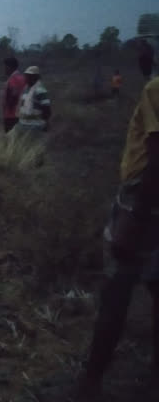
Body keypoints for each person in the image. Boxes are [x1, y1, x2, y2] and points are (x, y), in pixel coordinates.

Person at [77, 39, 159, 400]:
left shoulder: (156, 89)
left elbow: (156, 156)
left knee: (116, 290)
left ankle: (91, 379)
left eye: (147, 48)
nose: (142, 54)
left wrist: (137, 217)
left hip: (144, 202)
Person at [16, 66, 51, 132]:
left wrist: (45, 124)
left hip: (35, 127)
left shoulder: (40, 90)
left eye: (29, 76)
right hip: (23, 125)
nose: (26, 78)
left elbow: (47, 110)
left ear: (35, 77)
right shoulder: (25, 90)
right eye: (26, 75)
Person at [3, 57, 26, 133]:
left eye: (5, 67)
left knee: (10, 140)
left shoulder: (13, 78)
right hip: (21, 114)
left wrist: (8, 107)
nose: (5, 69)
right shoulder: (22, 78)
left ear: (10, 67)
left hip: (11, 115)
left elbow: (14, 94)